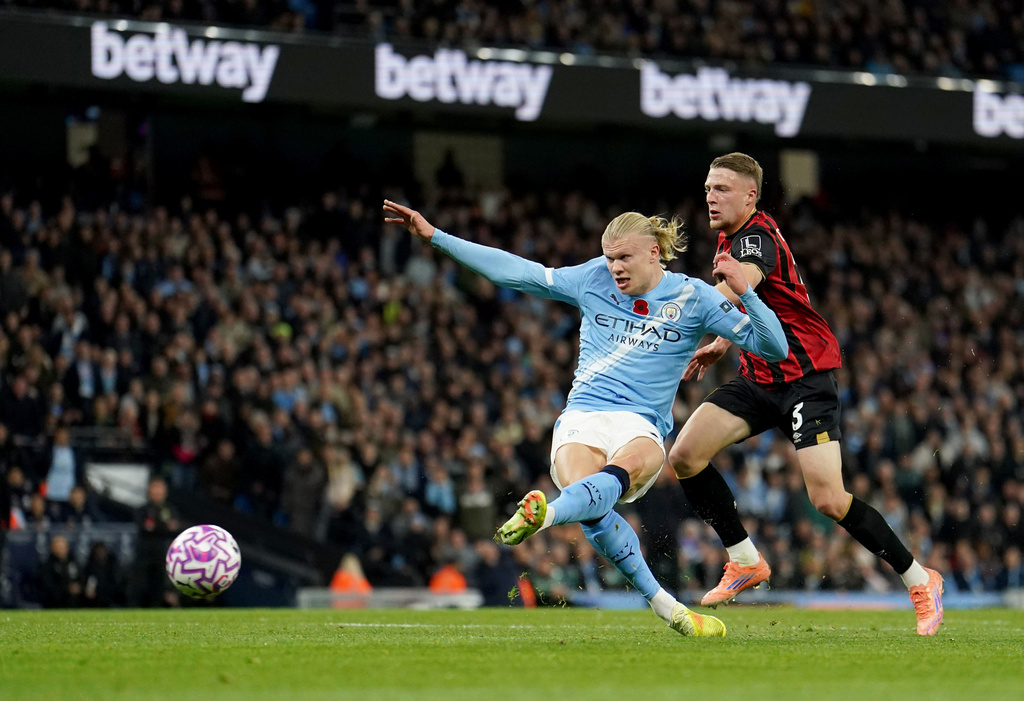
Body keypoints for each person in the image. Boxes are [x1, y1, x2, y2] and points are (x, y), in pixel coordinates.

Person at [383, 199, 790, 637]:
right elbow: (516, 272)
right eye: (610, 257)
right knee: (592, 504)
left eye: (624, 258)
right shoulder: (593, 277)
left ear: (654, 253)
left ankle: (546, 515)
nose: (614, 267)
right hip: (583, 415)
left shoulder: (695, 297)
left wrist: (746, 294)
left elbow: (775, 349)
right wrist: (436, 237)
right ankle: (669, 609)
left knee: (624, 469)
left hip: (641, 423)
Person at [667, 152, 944, 635]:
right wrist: (721, 342)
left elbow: (741, 288)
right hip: (759, 378)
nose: (710, 196)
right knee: (686, 455)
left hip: (805, 380)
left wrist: (677, 320)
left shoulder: (755, 238)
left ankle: (921, 580)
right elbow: (756, 304)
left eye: (722, 189)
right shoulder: (729, 238)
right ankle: (744, 559)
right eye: (708, 187)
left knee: (829, 500)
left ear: (750, 195)